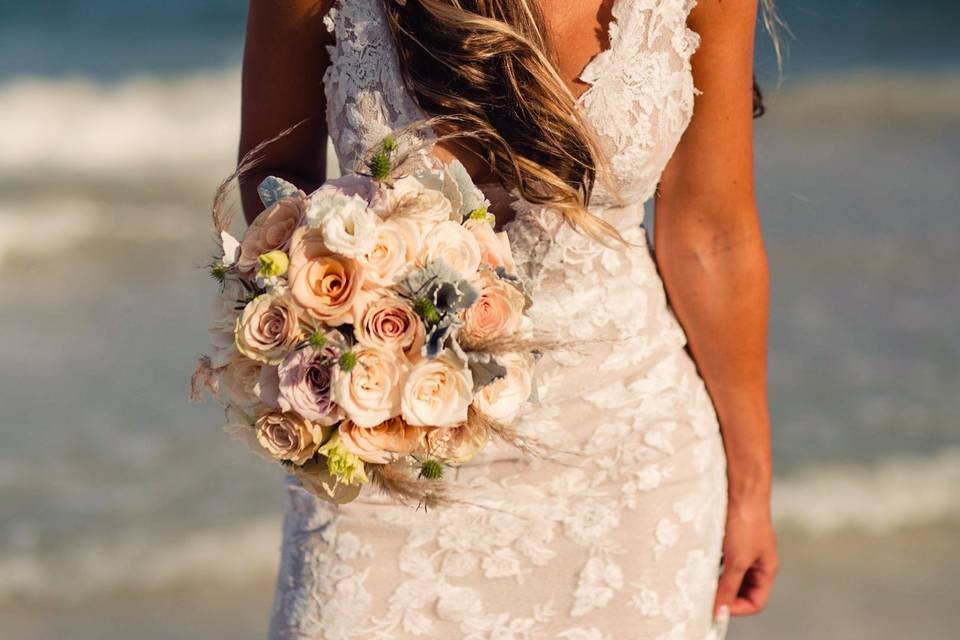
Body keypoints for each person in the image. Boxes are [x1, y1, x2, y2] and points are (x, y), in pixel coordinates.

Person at [239, 1, 778, 637]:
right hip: (386, 466)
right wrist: (336, 311)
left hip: (631, 461)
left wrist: (750, 484)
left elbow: (712, 238)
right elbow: (274, 187)